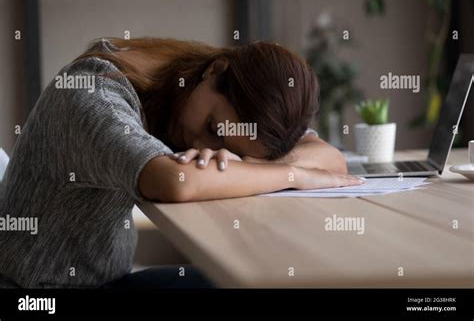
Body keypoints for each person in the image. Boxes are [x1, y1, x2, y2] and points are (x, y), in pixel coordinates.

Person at [0, 37, 362, 289]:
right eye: (212, 128)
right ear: (214, 71)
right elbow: (177, 182)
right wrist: (291, 174)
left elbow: (330, 161)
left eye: (230, 147)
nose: (205, 147)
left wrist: (242, 162)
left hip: (103, 281)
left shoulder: (184, 89)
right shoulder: (91, 92)